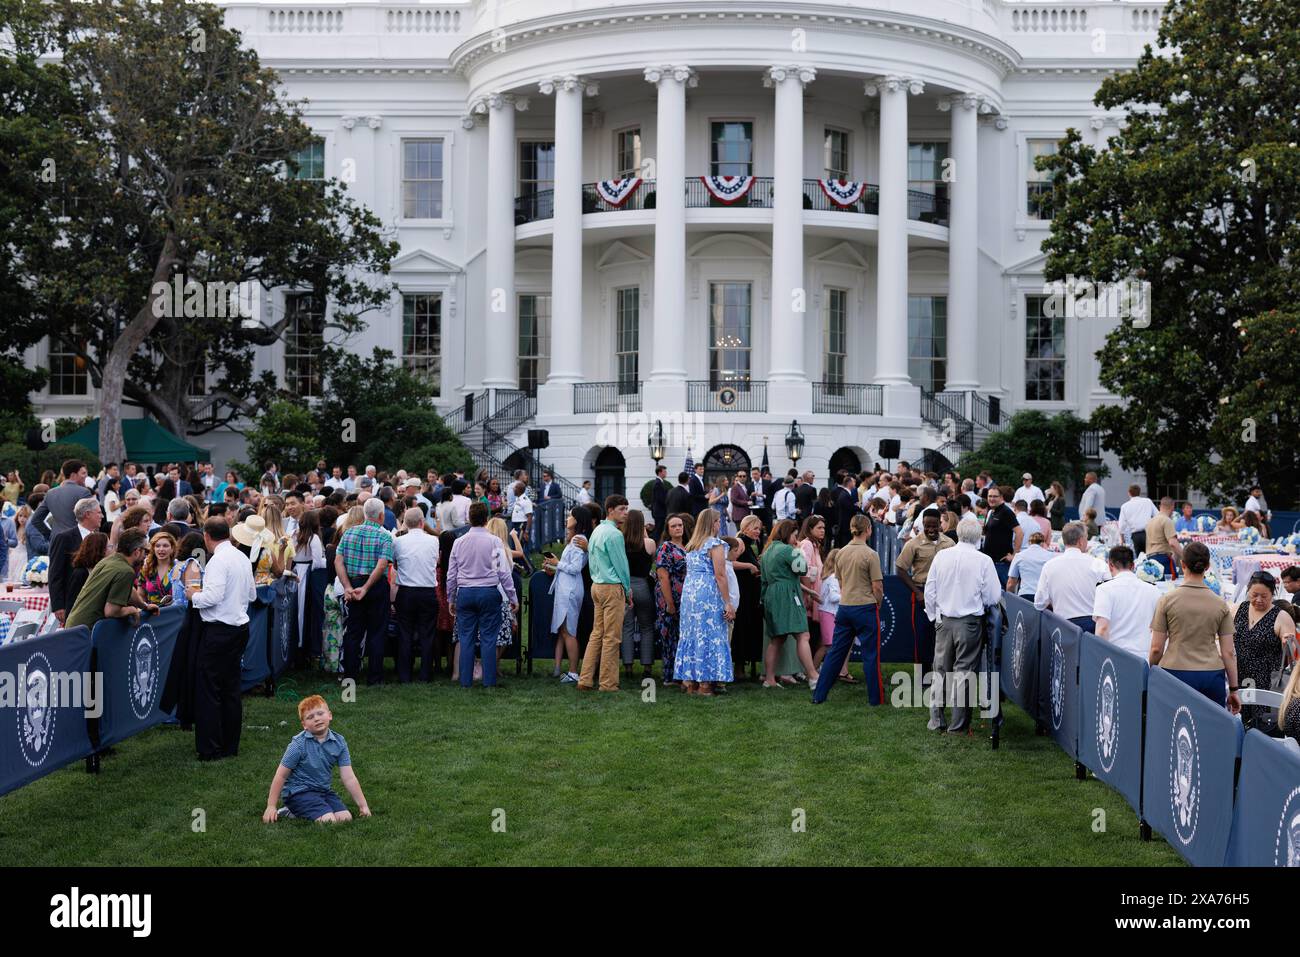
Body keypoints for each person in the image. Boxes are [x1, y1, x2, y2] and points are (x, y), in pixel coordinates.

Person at [185, 518, 256, 760]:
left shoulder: (218, 560)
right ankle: (229, 745)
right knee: (231, 688)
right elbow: (252, 594)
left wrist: (194, 595)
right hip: (238, 628)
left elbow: (213, 597)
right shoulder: (241, 557)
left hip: (219, 630)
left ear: (206, 536)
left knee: (209, 690)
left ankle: (210, 748)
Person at [923, 518, 1001, 732]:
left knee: (940, 669)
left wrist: (934, 617)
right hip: (969, 621)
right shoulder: (983, 560)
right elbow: (993, 595)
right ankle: (958, 724)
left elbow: (930, 591)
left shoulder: (942, 556)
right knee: (964, 672)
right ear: (979, 536)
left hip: (945, 619)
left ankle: (937, 720)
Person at [1148, 541, 1239, 711]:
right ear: (1208, 566)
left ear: (1182, 564)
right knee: (1210, 730)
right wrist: (1234, 689)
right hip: (1211, 674)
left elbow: (1156, 648)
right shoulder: (1220, 604)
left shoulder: (1167, 600)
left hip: (1175, 671)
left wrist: (1152, 670)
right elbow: (1228, 652)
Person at [263, 695, 371, 824]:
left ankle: (298, 811)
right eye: (310, 717)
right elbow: (281, 775)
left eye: (320, 713)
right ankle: (291, 810)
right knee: (329, 821)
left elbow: (349, 777)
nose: (317, 719)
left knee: (345, 818)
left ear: (329, 715)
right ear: (304, 725)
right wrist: (271, 806)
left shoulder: (339, 742)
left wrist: (363, 806)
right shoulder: (298, 744)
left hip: (323, 791)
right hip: (298, 792)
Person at [814, 513, 885, 703]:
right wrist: (878, 602)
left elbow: (841, 582)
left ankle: (818, 695)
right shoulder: (871, 554)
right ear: (868, 529)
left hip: (845, 607)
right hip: (865, 607)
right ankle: (875, 699)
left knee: (835, 653)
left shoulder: (841, 552)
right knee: (870, 655)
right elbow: (877, 586)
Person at [447, 502, 518, 689]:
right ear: (486, 519)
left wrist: (451, 598)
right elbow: (503, 572)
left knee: (466, 638)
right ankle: (489, 681)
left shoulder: (458, 542)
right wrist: (513, 597)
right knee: (488, 639)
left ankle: (465, 681)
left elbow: (451, 574)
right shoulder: (494, 541)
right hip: (488, 592)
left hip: (466, 593)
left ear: (469, 519)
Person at [334, 498, 395, 685]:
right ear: (381, 515)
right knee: (377, 631)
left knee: (353, 632)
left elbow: (338, 561)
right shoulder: (384, 536)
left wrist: (348, 587)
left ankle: (350, 676)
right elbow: (382, 565)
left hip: (354, 583)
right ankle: (374, 677)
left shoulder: (349, 532)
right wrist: (366, 587)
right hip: (375, 586)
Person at [673, 508, 733, 695]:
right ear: (712, 523)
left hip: (691, 595)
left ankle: (690, 682)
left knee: (692, 635)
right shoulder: (715, 544)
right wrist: (728, 602)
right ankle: (705, 684)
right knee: (709, 634)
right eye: (717, 521)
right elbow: (720, 575)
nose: (719, 524)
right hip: (708, 594)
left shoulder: (692, 545)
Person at [577, 495, 632, 692]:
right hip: (611, 587)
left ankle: (585, 679)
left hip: (596, 586)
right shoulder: (614, 534)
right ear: (610, 510)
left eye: (626, 509)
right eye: (622, 509)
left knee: (597, 634)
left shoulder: (598, 530)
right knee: (611, 637)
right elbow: (621, 566)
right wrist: (627, 589)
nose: (625, 513)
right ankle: (608, 683)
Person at [1230, 571, 1297, 728]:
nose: (1258, 600)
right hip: (1239, 678)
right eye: (1254, 595)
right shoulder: (1237, 609)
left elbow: (1290, 654)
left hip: (1266, 683)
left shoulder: (1281, 617)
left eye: (1264, 596)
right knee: (1238, 722)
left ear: (1272, 594)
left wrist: (1286, 642)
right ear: (1248, 592)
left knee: (1262, 726)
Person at [761, 519, 820, 690]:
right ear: (788, 534)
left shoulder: (767, 551)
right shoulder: (788, 550)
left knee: (776, 639)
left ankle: (770, 679)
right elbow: (802, 569)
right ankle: (813, 676)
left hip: (771, 595)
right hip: (789, 595)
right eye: (795, 535)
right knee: (803, 635)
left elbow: (764, 579)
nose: (796, 539)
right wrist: (798, 550)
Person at [66, 528, 158, 630]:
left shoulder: (108, 560)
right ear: (137, 552)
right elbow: (111, 611)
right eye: (145, 551)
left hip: (74, 626)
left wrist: (144, 606)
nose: (146, 555)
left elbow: (129, 590)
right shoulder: (125, 571)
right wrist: (132, 610)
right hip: (86, 631)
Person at [896, 509, 954, 664]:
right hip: (921, 592)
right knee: (923, 636)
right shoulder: (913, 544)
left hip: (945, 594)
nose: (931, 529)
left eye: (934, 526)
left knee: (943, 635)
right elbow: (900, 569)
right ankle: (923, 676)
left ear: (940, 525)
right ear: (922, 524)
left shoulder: (949, 543)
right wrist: (917, 592)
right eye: (927, 526)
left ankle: (940, 672)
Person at [391, 507, 440, 683]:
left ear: (405, 522)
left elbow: (395, 564)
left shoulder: (398, 542)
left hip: (406, 591)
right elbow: (436, 561)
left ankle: (404, 675)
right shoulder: (433, 541)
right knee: (427, 634)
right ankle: (426, 675)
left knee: (405, 634)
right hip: (427, 591)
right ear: (422, 522)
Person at [544, 506, 592, 683]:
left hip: (570, 590)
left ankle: (573, 672)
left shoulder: (579, 539)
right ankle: (559, 669)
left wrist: (558, 563)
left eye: (571, 515)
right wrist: (554, 565)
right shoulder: (574, 539)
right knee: (563, 630)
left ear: (577, 520)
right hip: (566, 588)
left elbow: (575, 568)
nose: (568, 518)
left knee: (569, 631)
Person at [1034, 522, 1108, 633]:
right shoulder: (1098, 564)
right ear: (1081, 541)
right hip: (1092, 626)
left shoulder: (1049, 566)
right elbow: (1109, 598)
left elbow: (1039, 603)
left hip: (1063, 625)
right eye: (1086, 539)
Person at [1092, 546, 1160, 659]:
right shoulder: (1153, 590)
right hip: (1144, 657)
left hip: (1115, 657)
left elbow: (1102, 629)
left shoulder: (1104, 589)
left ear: (1110, 565)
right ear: (1133, 566)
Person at [49, 496, 104, 626]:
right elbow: (55, 573)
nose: (101, 516)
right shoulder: (64, 538)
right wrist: (58, 605)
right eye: (99, 512)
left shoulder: (99, 538)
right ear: (87, 514)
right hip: (72, 602)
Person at [620, 508, 657, 679]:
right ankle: (647, 666)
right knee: (646, 627)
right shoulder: (649, 543)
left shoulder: (620, 541)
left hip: (626, 586)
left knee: (626, 627)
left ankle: (627, 665)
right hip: (643, 585)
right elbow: (652, 559)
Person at [654, 514, 690, 686]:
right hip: (668, 595)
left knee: (682, 635)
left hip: (686, 597)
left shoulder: (688, 546)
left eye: (680, 525)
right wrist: (669, 603)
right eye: (674, 526)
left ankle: (681, 673)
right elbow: (662, 576)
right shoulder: (666, 547)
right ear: (668, 530)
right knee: (669, 635)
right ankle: (669, 676)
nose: (678, 528)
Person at [731, 514, 764, 679]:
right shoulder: (740, 542)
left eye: (759, 528)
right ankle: (739, 668)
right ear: (745, 528)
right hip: (743, 594)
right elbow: (729, 562)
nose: (758, 531)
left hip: (751, 594)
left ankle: (745, 666)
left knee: (749, 627)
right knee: (742, 628)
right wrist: (750, 565)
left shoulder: (752, 544)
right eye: (755, 528)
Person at [31, 459, 93, 539]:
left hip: (56, 544)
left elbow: (36, 520)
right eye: (83, 473)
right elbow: (92, 518)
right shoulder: (84, 492)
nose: (86, 476)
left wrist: (51, 536)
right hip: (78, 544)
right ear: (73, 475)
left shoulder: (50, 493)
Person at [980, 486, 1017, 589]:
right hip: (990, 562)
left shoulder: (1006, 512)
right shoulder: (991, 511)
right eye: (990, 496)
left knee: (1003, 598)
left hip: (1001, 564)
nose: (992, 499)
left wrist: (1014, 555)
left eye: (995, 496)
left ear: (1001, 497)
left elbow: (1019, 532)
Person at [66, 532, 108, 615]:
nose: (113, 550)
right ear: (100, 550)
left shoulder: (103, 570)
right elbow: (72, 605)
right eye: (109, 547)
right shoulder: (80, 574)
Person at [1006, 531, 1053, 603]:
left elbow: (1011, 583)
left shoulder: (1019, 556)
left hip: (1025, 595)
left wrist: (1009, 600)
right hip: (1044, 597)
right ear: (1043, 543)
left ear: (1029, 543)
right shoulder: (1050, 556)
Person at [1144, 496, 1184, 579]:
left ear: (1160, 506)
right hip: (1163, 559)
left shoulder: (1150, 521)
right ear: (1172, 507)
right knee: (1168, 587)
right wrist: (1185, 556)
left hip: (1150, 560)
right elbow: (1173, 543)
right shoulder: (1167, 521)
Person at [135, 530, 178, 607]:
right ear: (153, 549)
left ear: (172, 549)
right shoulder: (146, 569)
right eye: (157, 546)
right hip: (153, 614)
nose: (161, 549)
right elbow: (140, 595)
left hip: (173, 613)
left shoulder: (178, 568)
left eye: (165, 546)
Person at [1118, 484, 1157, 552]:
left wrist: (1122, 538)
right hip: (1149, 534)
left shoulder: (1125, 506)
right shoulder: (1147, 501)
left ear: (1129, 493)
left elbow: (1122, 525)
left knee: (1139, 558)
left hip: (1135, 536)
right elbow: (1157, 515)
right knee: (1150, 556)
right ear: (1139, 492)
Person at [509, 480, 534, 545]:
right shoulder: (518, 499)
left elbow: (529, 516)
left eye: (514, 488)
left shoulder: (525, 500)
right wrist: (502, 515)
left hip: (521, 526)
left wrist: (526, 531)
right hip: (515, 525)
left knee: (521, 546)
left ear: (519, 489)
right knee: (515, 546)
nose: (513, 490)